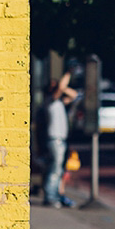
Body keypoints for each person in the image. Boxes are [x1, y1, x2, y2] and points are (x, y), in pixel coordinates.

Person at [41, 72, 78, 208]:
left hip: (59, 140)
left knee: (58, 169)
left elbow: (73, 95)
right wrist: (68, 72)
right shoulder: (51, 100)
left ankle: (55, 195)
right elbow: (61, 88)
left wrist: (64, 88)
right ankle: (50, 197)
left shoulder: (59, 102)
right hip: (55, 139)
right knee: (55, 169)